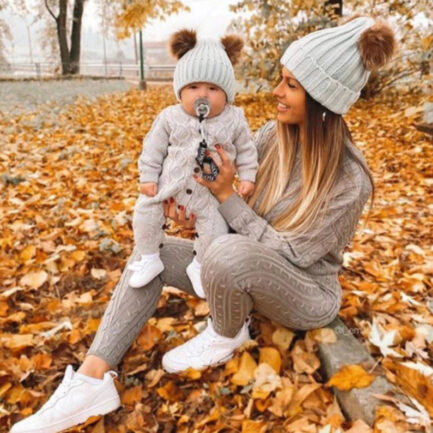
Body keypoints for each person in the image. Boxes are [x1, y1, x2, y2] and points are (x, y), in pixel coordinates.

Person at [10, 15, 395, 433]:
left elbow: (295, 253)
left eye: (291, 85)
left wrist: (227, 196)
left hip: (306, 293)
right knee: (149, 255)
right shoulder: (271, 136)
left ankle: (226, 332)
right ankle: (91, 378)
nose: (276, 92)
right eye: (280, 79)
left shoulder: (349, 180)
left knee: (228, 253)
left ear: (321, 98)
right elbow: (229, 214)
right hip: (243, 269)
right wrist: (192, 203)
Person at [128, 29, 257, 296]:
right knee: (144, 212)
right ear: (180, 90)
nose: (203, 95)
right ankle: (149, 257)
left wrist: (247, 177)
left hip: (209, 196)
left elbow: (247, 150)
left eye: (213, 88)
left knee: (215, 229)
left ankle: (199, 265)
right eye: (194, 87)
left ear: (227, 93)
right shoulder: (169, 118)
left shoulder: (234, 119)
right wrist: (149, 178)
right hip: (168, 188)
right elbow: (152, 149)